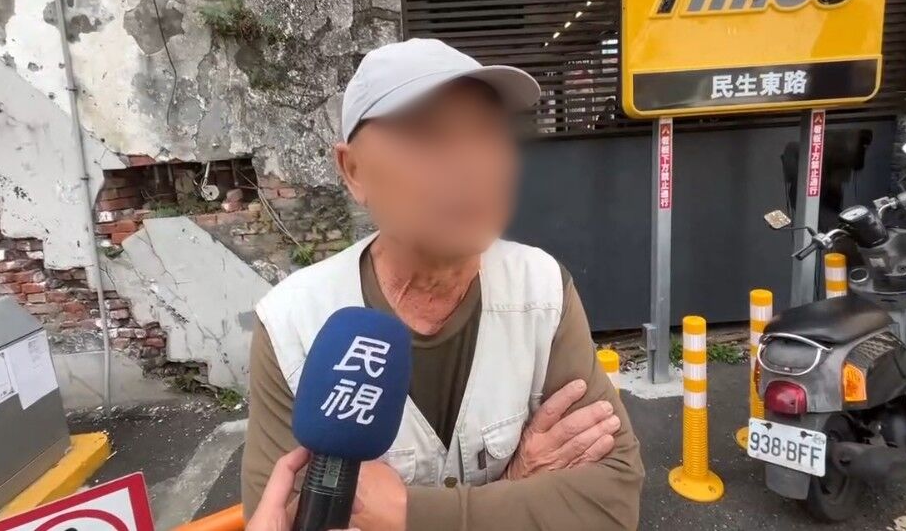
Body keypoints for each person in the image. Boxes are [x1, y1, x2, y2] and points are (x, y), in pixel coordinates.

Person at [242, 38, 644, 531]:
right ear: (354, 170)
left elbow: (611, 502)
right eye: (427, 136)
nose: (470, 164)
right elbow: (285, 518)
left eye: (487, 134)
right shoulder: (292, 325)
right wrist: (517, 489)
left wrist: (407, 513)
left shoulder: (541, 290)